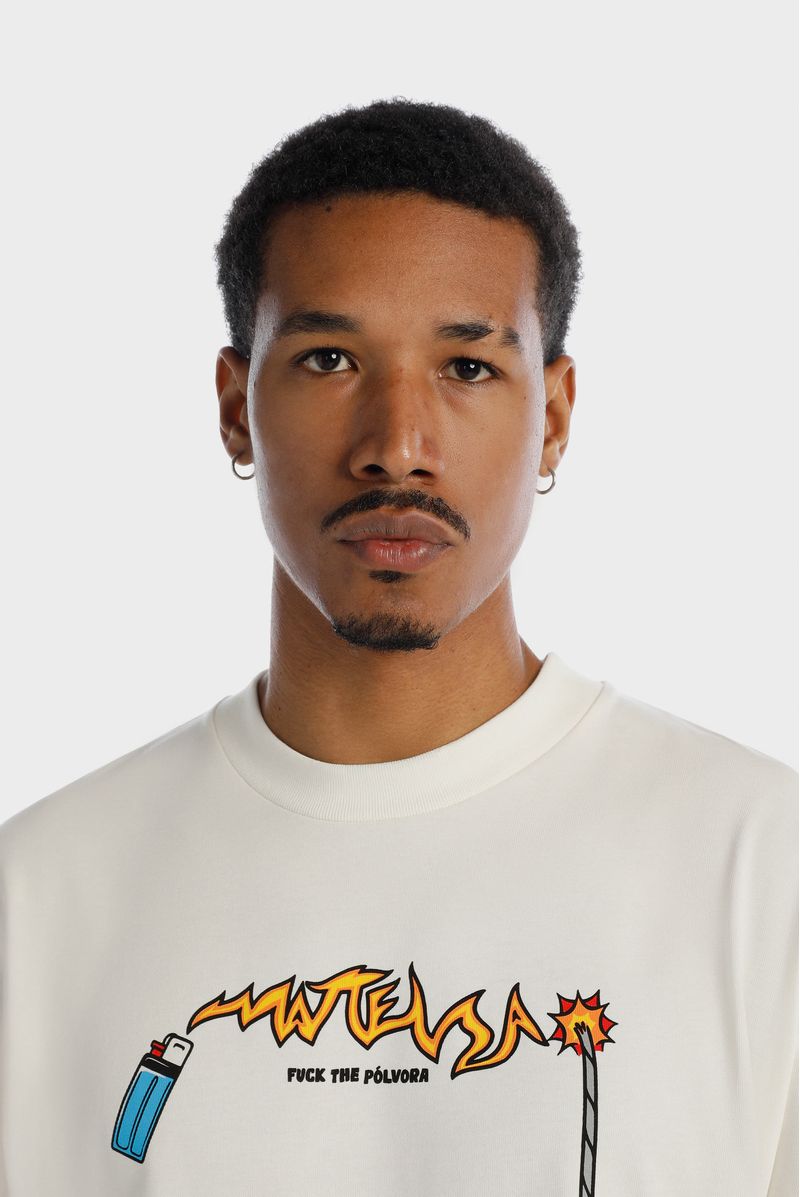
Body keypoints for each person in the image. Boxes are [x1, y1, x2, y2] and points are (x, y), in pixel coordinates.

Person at [0, 99, 796, 1197]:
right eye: (329, 359)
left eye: (466, 367)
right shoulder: (40, 898)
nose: (397, 447)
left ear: (554, 417)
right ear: (235, 407)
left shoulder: (763, 869)